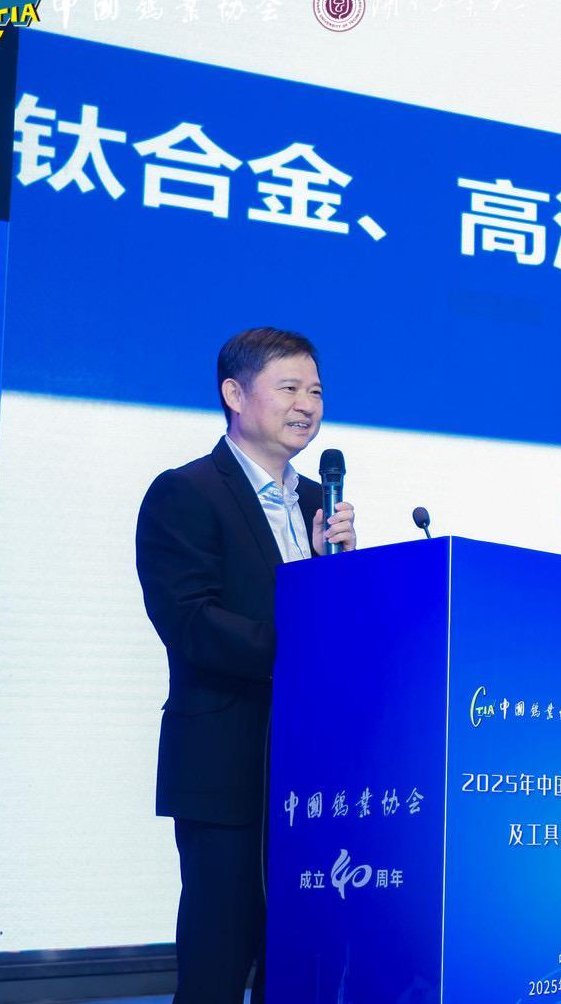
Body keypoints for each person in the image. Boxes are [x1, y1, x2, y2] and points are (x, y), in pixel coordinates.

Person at [135, 327, 356, 1003]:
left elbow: (337, 628)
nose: (307, 405)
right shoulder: (187, 492)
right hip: (227, 764)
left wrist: (339, 572)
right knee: (219, 962)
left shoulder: (319, 503)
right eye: (289, 387)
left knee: (303, 963)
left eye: (315, 390)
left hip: (312, 771)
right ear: (234, 394)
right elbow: (190, 621)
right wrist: (303, 650)